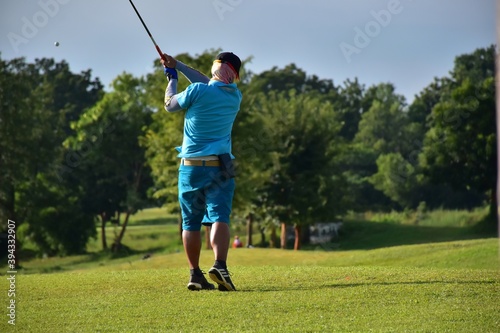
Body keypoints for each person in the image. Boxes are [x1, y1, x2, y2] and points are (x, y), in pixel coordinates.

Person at [161, 52, 242, 291]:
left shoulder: (197, 90)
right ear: (233, 74)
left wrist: (172, 79)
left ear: (217, 67)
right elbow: (208, 82)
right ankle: (220, 266)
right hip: (220, 167)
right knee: (219, 217)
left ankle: (195, 274)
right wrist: (178, 65)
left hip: (190, 168)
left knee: (190, 223)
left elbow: (170, 105)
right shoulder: (235, 96)